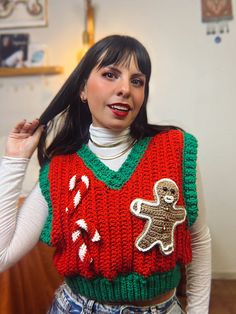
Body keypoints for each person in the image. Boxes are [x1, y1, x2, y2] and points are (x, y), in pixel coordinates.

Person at [0, 35, 211, 313]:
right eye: (110, 74)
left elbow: (199, 240)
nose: (125, 89)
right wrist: (15, 160)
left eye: (137, 81)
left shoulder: (176, 149)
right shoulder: (59, 171)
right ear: (82, 89)